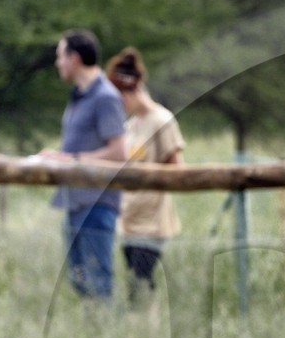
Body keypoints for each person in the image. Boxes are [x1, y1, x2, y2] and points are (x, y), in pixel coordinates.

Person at [38, 29, 127, 299]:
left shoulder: (105, 97)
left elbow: (119, 152)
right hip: (75, 200)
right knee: (80, 281)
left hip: (97, 203)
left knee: (98, 282)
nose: (57, 63)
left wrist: (72, 160)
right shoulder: (80, 95)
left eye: (60, 56)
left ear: (74, 58)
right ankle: (95, 337)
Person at [106, 46, 186, 312]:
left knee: (141, 284)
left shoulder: (161, 121)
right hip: (128, 219)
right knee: (133, 283)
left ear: (133, 89)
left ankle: (146, 335)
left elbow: (178, 169)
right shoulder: (130, 126)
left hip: (152, 222)